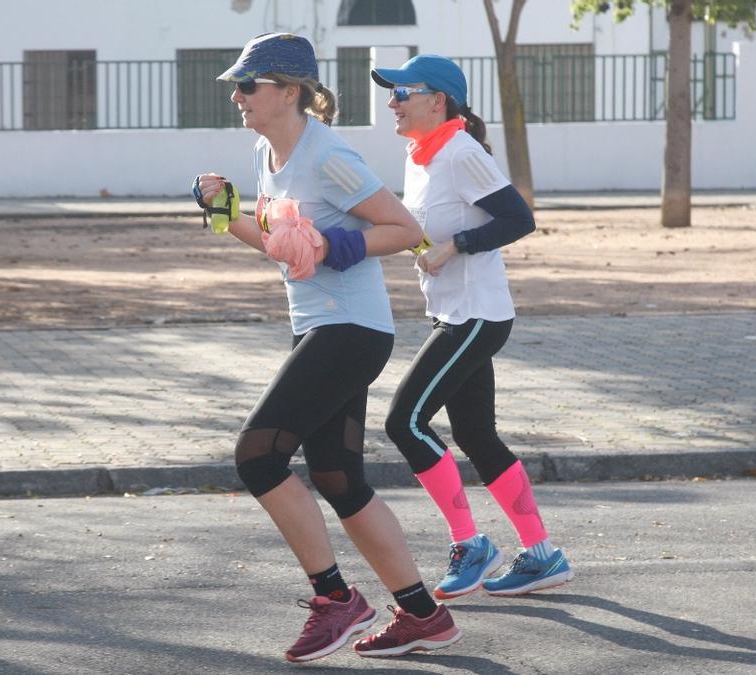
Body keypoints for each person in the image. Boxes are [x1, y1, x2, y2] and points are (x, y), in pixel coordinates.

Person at [192, 34, 460, 662]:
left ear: (288, 92)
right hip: (320, 326)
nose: (238, 95)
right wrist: (222, 211)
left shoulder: (328, 155)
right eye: (237, 85)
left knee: (258, 458)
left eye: (248, 85)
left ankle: (336, 599)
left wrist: (336, 247)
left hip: (350, 330)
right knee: (339, 478)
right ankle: (424, 615)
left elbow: (405, 229)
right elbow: (284, 249)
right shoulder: (270, 153)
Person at [371, 54, 575, 599]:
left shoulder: (459, 152)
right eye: (390, 93)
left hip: (476, 316)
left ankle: (471, 543)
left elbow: (519, 218)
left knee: (404, 422)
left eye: (401, 92)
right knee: (475, 435)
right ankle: (542, 555)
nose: (391, 101)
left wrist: (456, 245)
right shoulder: (422, 155)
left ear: (437, 101)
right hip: (455, 313)